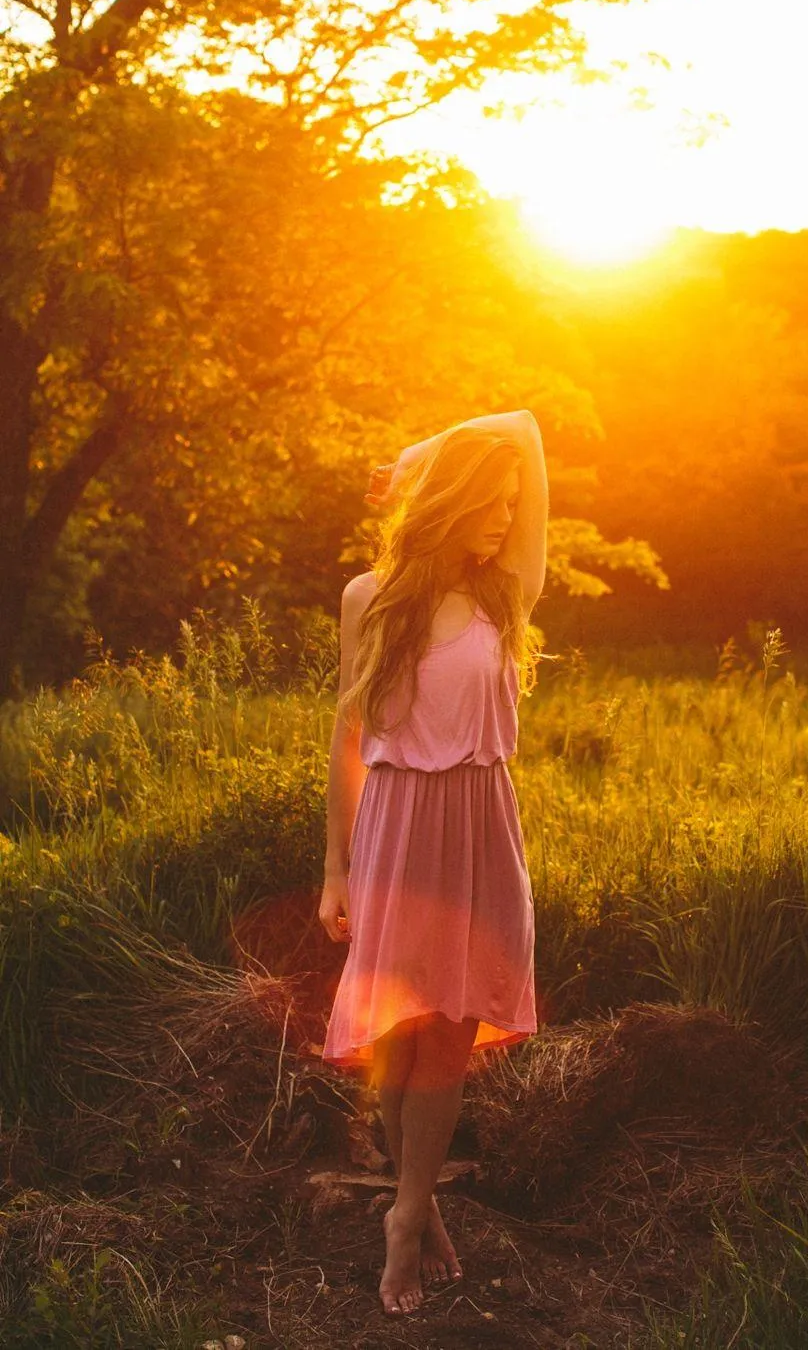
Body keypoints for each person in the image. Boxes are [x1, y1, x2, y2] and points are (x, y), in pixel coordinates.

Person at [318, 409, 547, 1316]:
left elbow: (527, 427)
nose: (503, 522)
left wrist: (420, 450)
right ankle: (418, 1205)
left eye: (511, 507)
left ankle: (407, 1217)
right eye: (488, 504)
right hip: (397, 824)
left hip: (483, 830)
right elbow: (345, 740)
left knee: (449, 1028)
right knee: (392, 1031)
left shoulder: (506, 594)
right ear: (449, 504)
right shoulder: (369, 596)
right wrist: (335, 866)